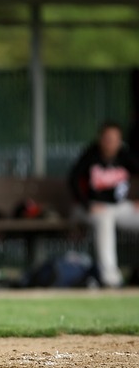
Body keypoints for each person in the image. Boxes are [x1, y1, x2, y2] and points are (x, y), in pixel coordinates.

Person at [68, 121, 139, 287]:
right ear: (100, 139)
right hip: (91, 207)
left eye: (115, 139)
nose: (110, 143)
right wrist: (87, 204)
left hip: (119, 207)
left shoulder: (124, 155)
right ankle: (111, 279)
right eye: (107, 138)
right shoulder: (90, 155)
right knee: (104, 217)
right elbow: (73, 180)